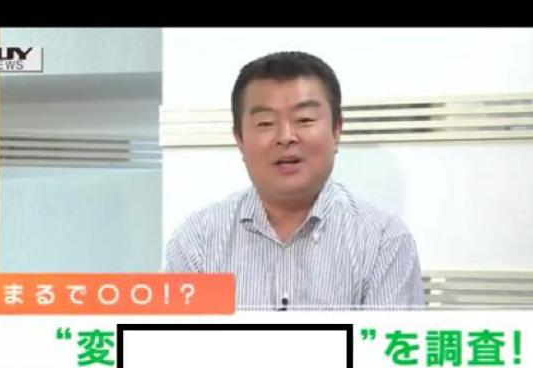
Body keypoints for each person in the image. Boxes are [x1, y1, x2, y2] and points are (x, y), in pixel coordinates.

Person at [163, 51, 424, 310]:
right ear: (240, 139)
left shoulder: (384, 241)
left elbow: (385, 338)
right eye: (265, 123)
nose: (286, 136)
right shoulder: (197, 242)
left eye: (304, 119)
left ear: (336, 131)